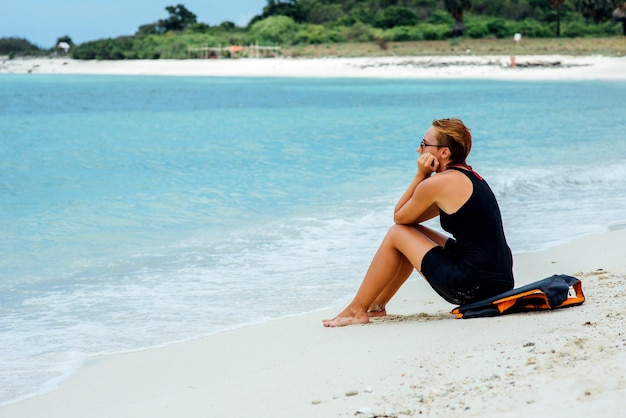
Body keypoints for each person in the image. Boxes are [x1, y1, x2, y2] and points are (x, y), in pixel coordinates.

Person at [323, 117, 514, 327]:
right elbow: (410, 220)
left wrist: (420, 175)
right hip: (500, 282)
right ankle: (376, 305)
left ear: (444, 152)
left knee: (397, 233)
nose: (418, 150)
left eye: (424, 144)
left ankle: (357, 310)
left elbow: (399, 217)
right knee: (410, 233)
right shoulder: (469, 176)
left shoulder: (438, 182)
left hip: (472, 285)